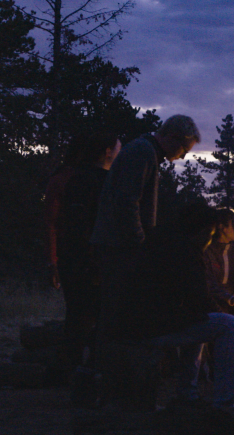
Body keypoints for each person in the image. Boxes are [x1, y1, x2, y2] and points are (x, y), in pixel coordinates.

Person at [90, 115, 200, 353]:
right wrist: (140, 243)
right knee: (115, 310)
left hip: (120, 245)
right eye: (183, 149)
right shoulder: (142, 152)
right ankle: (101, 372)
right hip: (118, 247)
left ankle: (108, 369)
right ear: (171, 137)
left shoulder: (144, 151)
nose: (182, 156)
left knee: (118, 310)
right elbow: (127, 202)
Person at [123, 202, 234, 411]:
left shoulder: (162, 242)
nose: (210, 239)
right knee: (229, 325)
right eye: (211, 233)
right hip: (152, 328)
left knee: (198, 320)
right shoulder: (187, 253)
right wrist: (219, 311)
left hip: (142, 322)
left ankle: (187, 394)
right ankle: (224, 405)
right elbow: (200, 297)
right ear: (202, 230)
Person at [55, 131, 121, 368]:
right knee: (88, 318)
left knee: (80, 317)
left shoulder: (81, 178)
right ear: (107, 151)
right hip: (88, 262)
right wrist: (93, 261)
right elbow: (78, 224)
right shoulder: (93, 181)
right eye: (118, 148)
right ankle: (83, 373)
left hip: (79, 260)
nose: (120, 153)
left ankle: (77, 372)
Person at [43, 136, 86, 290]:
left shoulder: (63, 178)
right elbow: (51, 222)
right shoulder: (64, 179)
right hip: (72, 254)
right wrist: (53, 262)